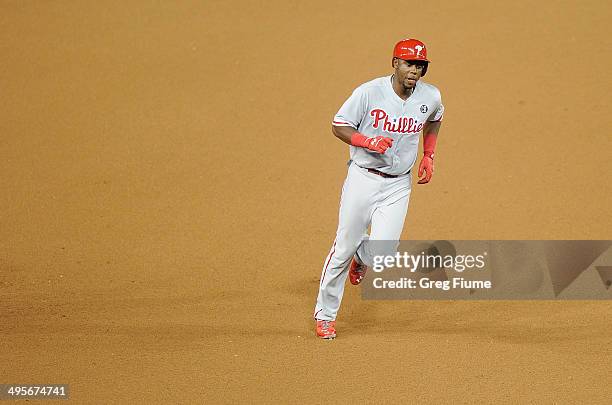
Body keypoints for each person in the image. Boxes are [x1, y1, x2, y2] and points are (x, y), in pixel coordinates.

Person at [313, 38, 444, 339]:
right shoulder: (368, 93)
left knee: (383, 253)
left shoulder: (431, 96)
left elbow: (435, 118)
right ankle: (325, 315)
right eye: (409, 63)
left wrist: (429, 154)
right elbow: (339, 124)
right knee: (343, 246)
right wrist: (366, 141)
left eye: (420, 65)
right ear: (395, 63)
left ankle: (364, 257)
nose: (414, 70)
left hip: (399, 183)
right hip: (364, 178)